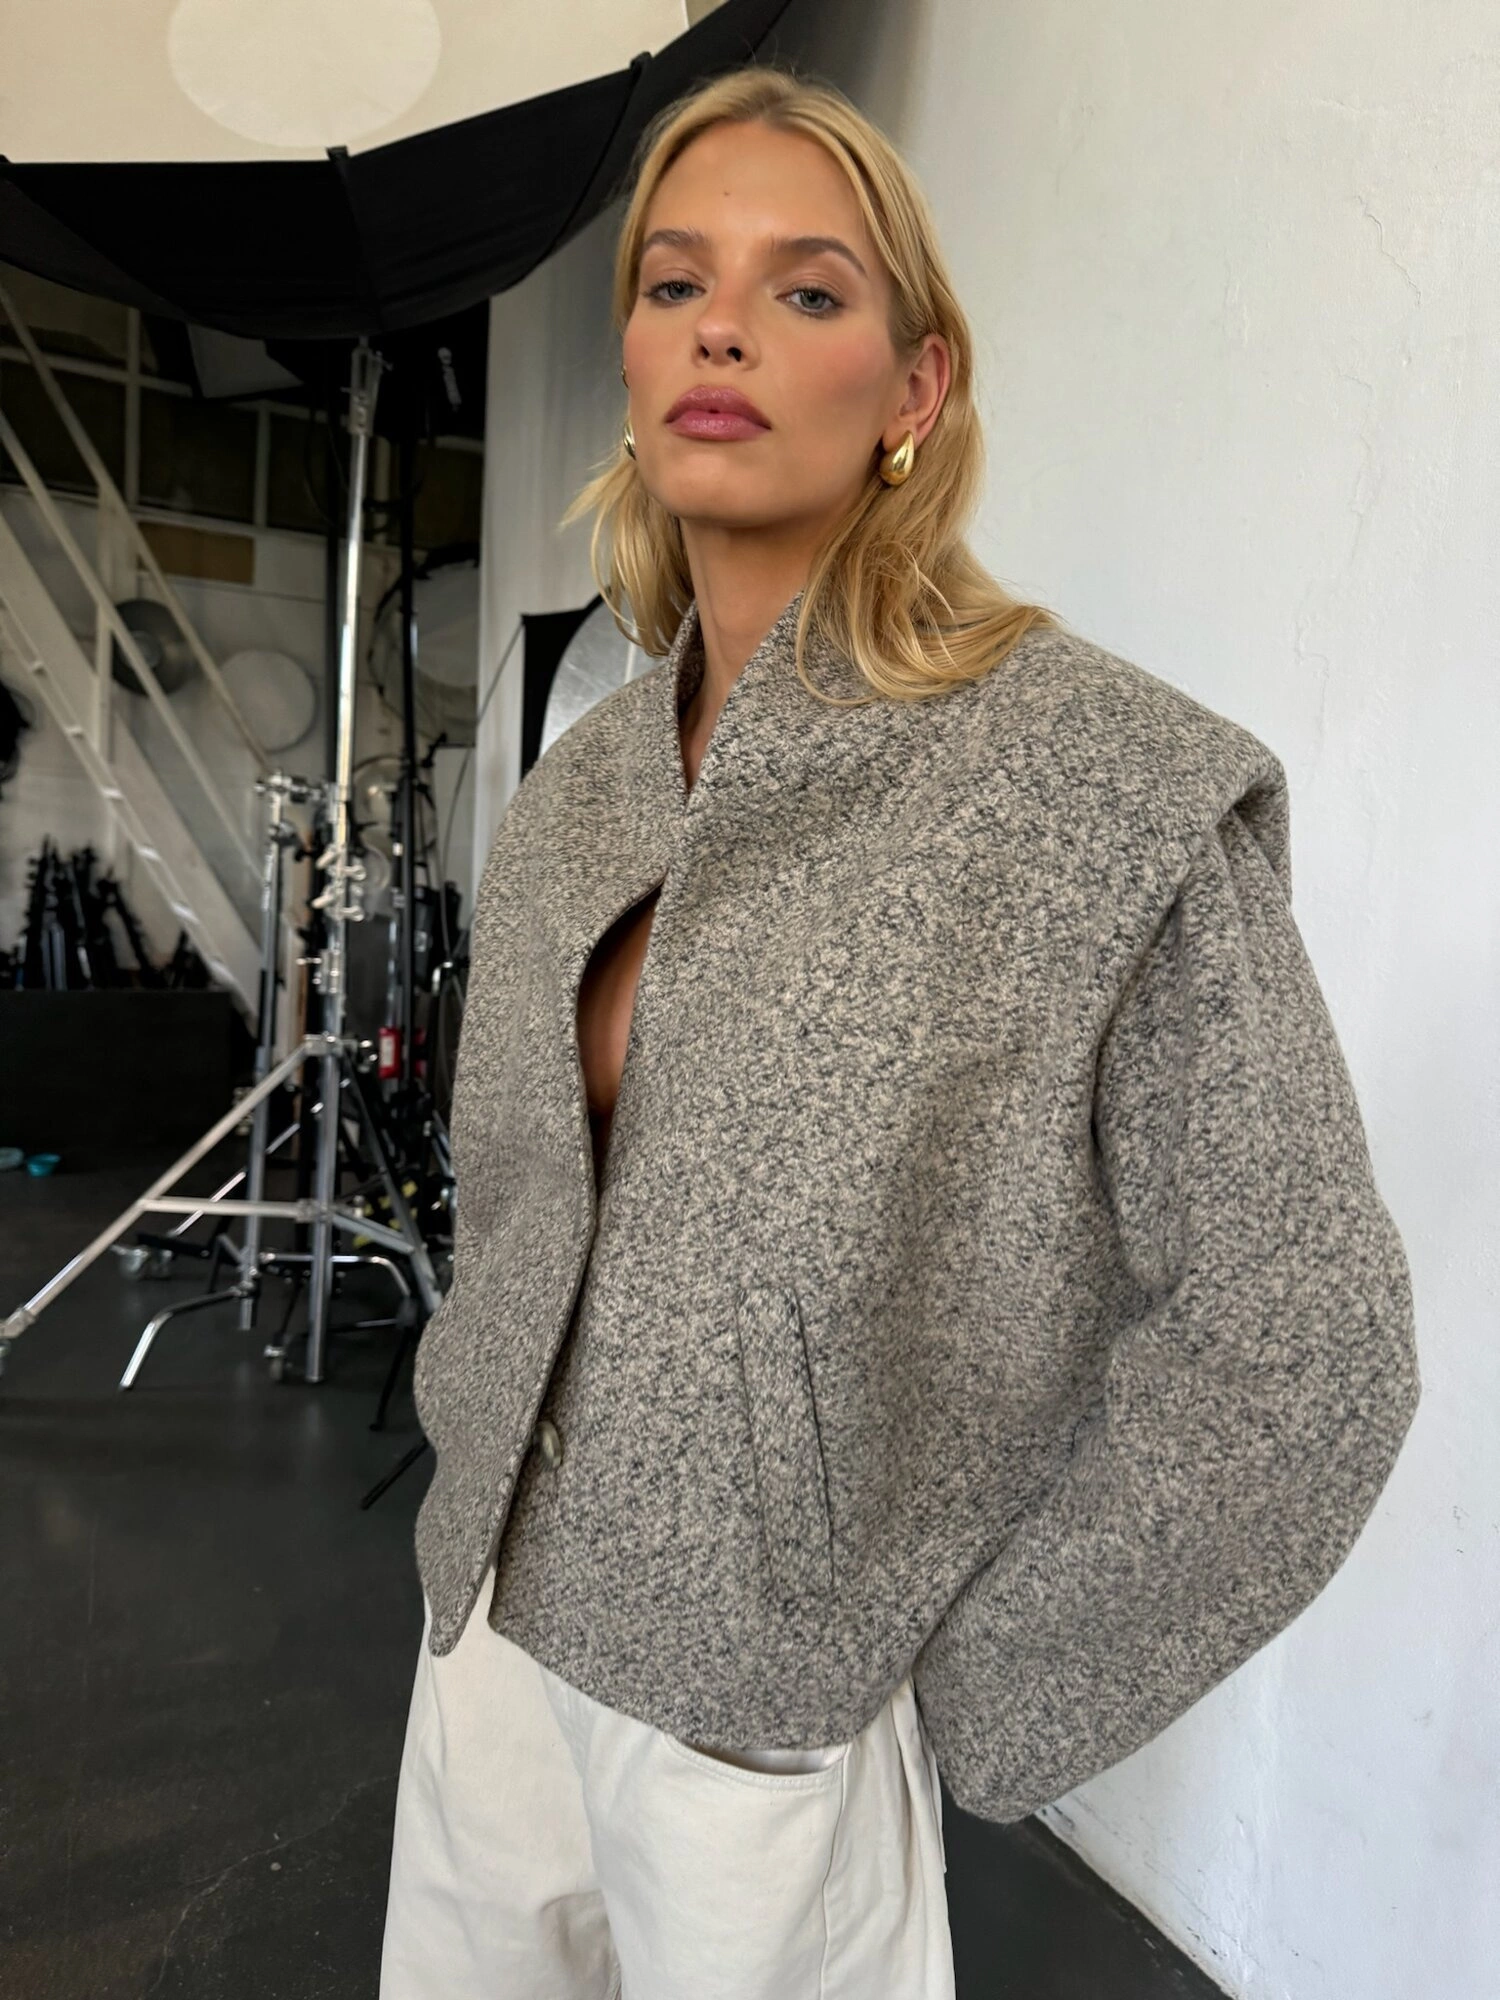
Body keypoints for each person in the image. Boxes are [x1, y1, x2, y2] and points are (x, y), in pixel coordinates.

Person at [380, 63, 1420, 2000]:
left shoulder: (1093, 783)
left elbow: (1306, 1348)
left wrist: (961, 1692)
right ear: (633, 354)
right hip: (490, 1645)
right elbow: (518, 1204)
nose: (722, 328)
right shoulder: (583, 789)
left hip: (766, 1737)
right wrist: (466, 1467)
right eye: (675, 281)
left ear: (914, 386)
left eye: (806, 289)